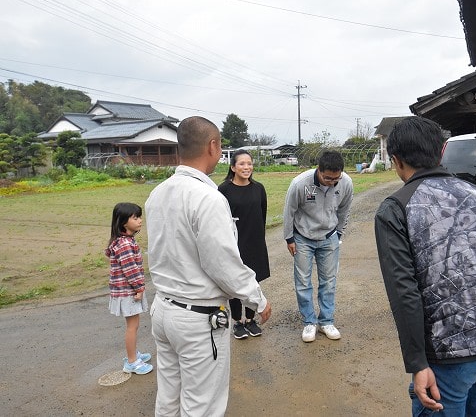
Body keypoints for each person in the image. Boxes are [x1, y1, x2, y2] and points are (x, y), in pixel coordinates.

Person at [374, 116, 476, 417]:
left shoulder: (396, 208)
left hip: (445, 360)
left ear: (396, 161)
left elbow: (404, 292)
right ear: (441, 154)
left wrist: (418, 363)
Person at [145, 116, 272, 417]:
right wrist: (258, 298)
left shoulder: (158, 193)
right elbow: (223, 264)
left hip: (164, 308)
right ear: (213, 147)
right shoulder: (208, 198)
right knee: (202, 405)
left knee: (169, 397)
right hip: (197, 317)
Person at [283, 150, 353, 342]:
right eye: (328, 178)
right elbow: (289, 211)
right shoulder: (300, 183)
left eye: (336, 179)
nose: (332, 182)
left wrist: (339, 234)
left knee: (329, 281)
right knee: (303, 282)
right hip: (303, 237)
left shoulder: (345, 183)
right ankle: (309, 322)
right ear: (319, 170)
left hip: (329, 236)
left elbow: (345, 210)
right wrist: (289, 238)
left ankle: (326, 321)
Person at [218, 150, 271, 340]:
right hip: (233, 241)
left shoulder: (259, 188)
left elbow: (262, 214)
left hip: (254, 240)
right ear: (233, 167)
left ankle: (250, 320)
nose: (246, 167)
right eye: (242, 164)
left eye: (249, 163)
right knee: (233, 281)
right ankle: (237, 322)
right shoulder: (223, 189)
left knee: (252, 280)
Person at [105, 202, 153, 375]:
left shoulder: (124, 240)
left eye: (139, 217)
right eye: (135, 217)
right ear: (124, 222)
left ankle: (133, 354)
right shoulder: (125, 244)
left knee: (133, 325)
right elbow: (130, 269)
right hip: (128, 291)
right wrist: (139, 288)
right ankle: (132, 361)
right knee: (132, 326)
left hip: (126, 290)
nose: (140, 220)